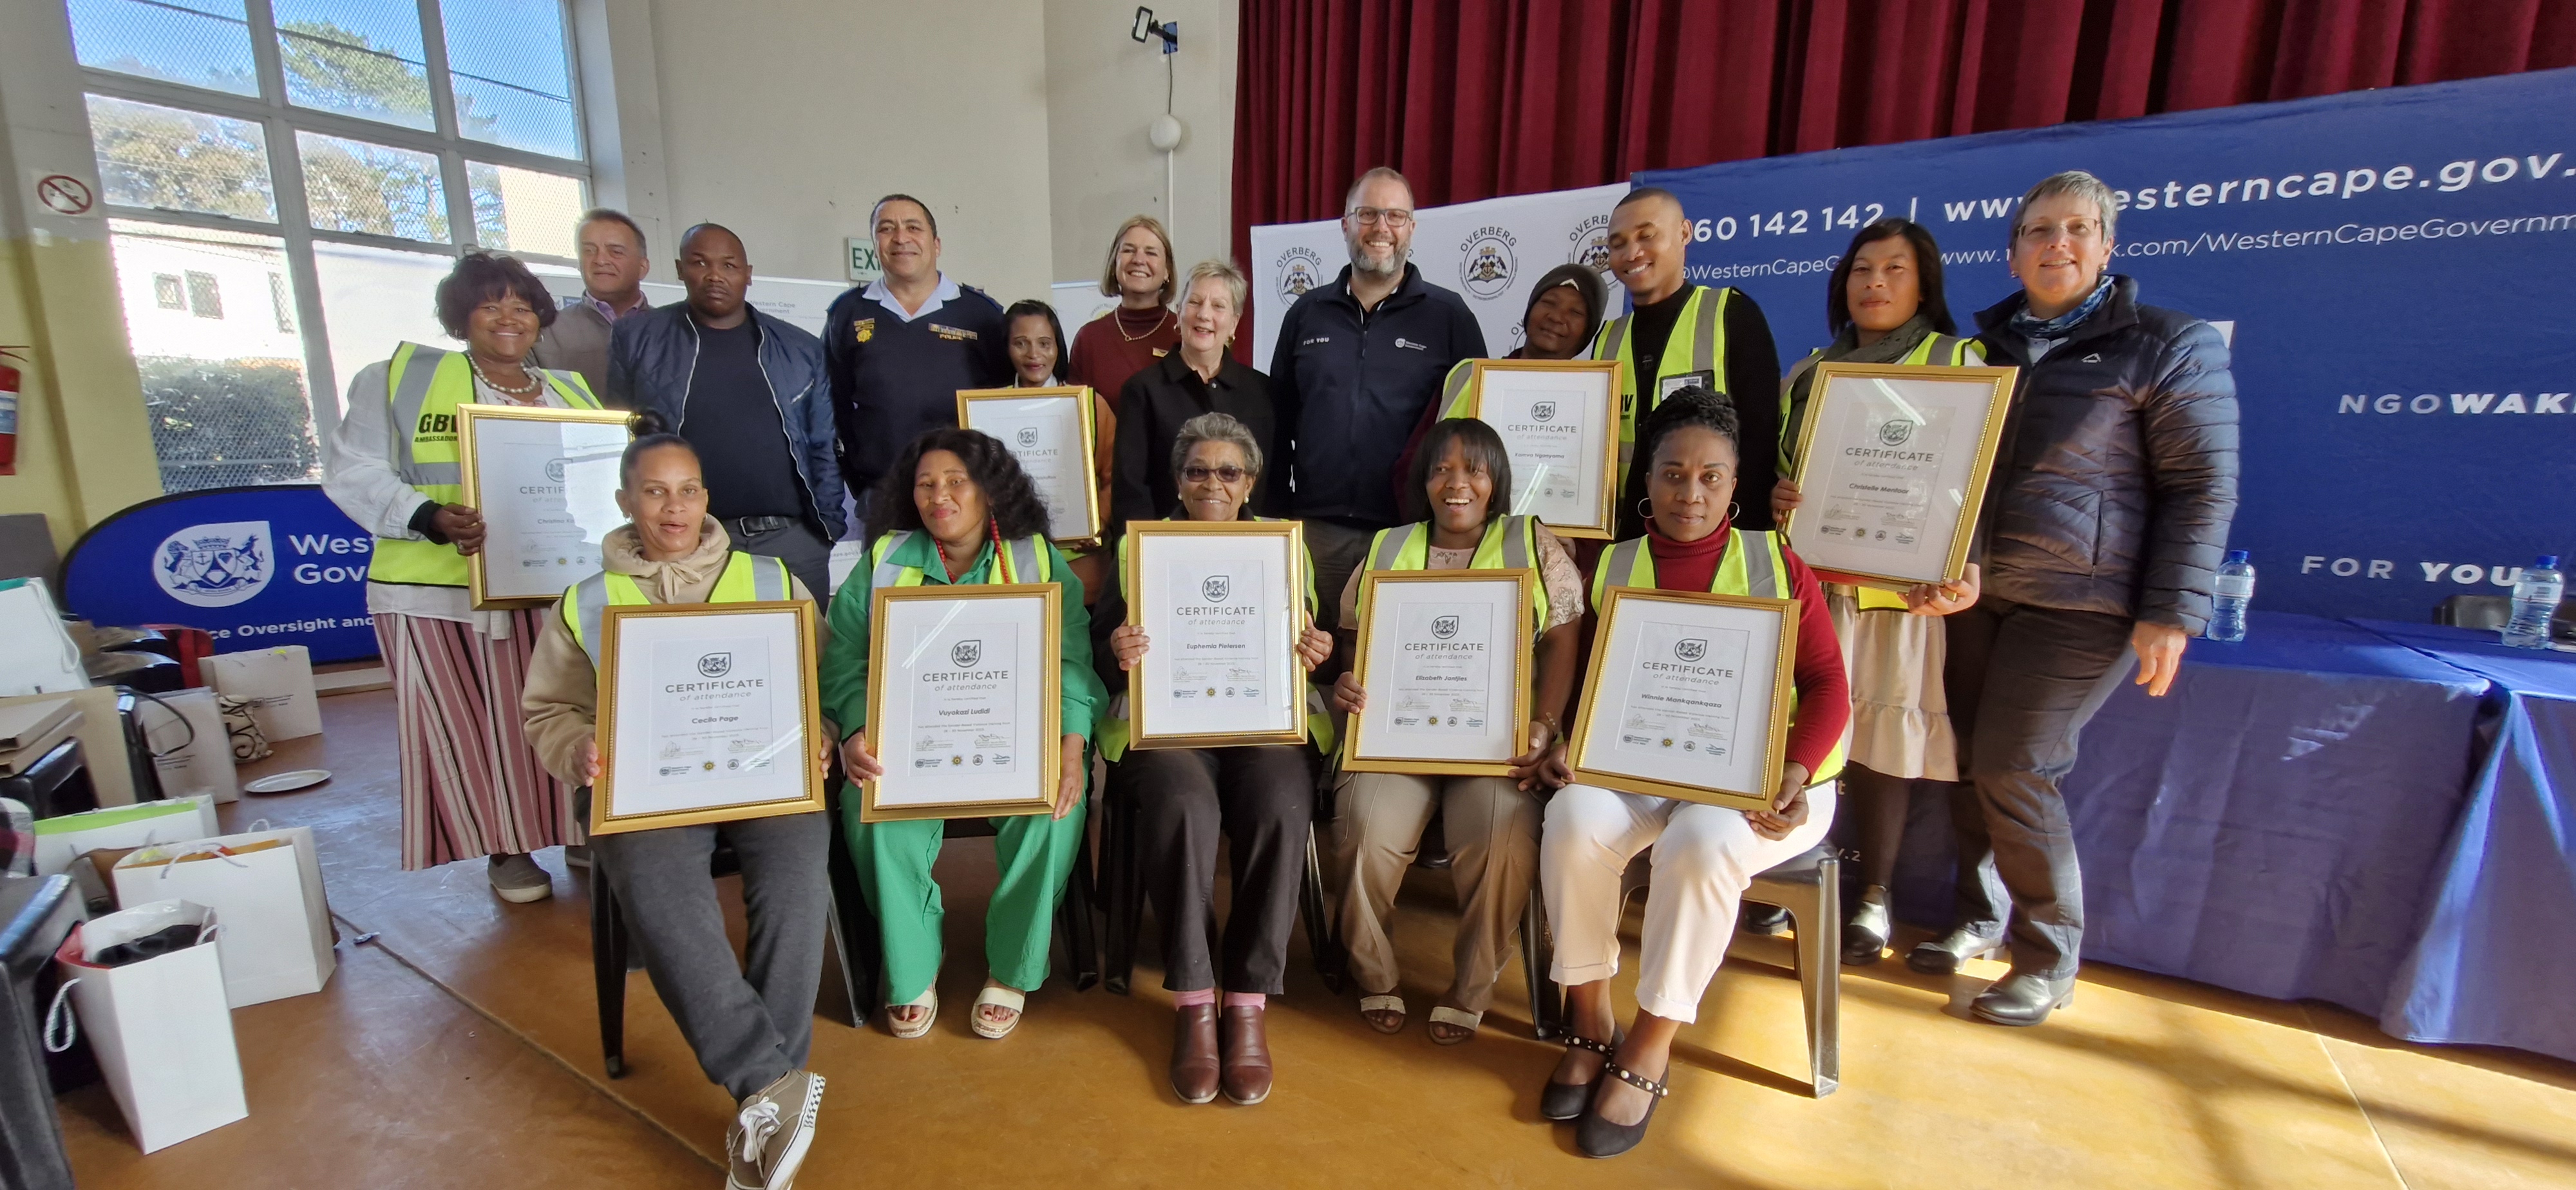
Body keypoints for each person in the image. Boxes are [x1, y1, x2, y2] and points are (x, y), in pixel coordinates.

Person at [1942, 170, 2238, 1025]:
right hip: (1973, 596)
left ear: (2109, 246)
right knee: (1968, 761)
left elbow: (2202, 486)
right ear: (2012, 251)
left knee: (2014, 764)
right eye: (2039, 230)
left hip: (2084, 603)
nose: (2056, 245)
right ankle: (1977, 916)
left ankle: (2047, 954)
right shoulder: (1982, 350)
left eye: (2077, 230)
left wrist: (2173, 609)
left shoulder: (2168, 344)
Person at [1537, 388, 1850, 1159]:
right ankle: (1588, 1018)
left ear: (1735, 484)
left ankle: (1650, 1042)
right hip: (1644, 766)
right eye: (1674, 474)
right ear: (1648, 476)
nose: (1691, 493)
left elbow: (1828, 686)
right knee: (1572, 817)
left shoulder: (1775, 563)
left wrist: (1797, 772)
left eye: (1711, 477)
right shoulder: (1613, 565)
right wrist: (1571, 739)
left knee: (1704, 841)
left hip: (1760, 784)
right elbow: (1591, 687)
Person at [519, 424, 828, 1190]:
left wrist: (821, 732)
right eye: (654, 492)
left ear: (706, 498)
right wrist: (581, 749)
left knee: (796, 883)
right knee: (660, 893)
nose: (674, 507)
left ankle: (769, 1097)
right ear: (625, 502)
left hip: (765, 776)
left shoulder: (773, 580)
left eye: (687, 490)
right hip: (649, 788)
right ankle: (770, 1083)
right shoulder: (585, 601)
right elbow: (548, 712)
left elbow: (823, 684)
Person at [322, 252, 598, 902]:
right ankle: (507, 850)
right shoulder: (398, 380)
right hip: (439, 596)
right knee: (481, 722)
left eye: (523, 306)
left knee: (568, 711)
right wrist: (426, 516)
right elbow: (351, 470)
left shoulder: (572, 393)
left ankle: (581, 829)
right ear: (460, 318)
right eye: (490, 305)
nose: (509, 318)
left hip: (553, 591)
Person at [823, 428, 1103, 1041]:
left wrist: (1072, 743)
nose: (938, 495)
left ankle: (1012, 966)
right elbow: (844, 655)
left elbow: (1071, 658)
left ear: (990, 491)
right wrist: (855, 728)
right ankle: (914, 964)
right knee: (868, 803)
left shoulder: (1034, 558)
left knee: (1051, 805)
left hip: (1014, 745)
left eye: (956, 481)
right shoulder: (885, 560)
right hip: (908, 745)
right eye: (925, 484)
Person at [1768, 218, 1991, 966]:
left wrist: (1967, 564)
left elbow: (1980, 477)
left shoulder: (1956, 362)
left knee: (1875, 743)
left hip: (1900, 593)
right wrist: (1777, 496)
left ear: (1923, 283)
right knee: (1797, 727)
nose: (1874, 283)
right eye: (1862, 269)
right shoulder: (1807, 375)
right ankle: (1781, 872)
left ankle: (1872, 895)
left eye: (1894, 269)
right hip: (1810, 587)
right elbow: (1777, 466)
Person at [1327, 417, 1587, 1044]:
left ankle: (1471, 986)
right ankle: (1374, 971)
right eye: (1441, 468)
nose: (1456, 483)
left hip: (1495, 746)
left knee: (1502, 838)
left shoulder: (1533, 543)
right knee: (1363, 826)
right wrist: (1345, 684)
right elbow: (1353, 644)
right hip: (1398, 741)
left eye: (1473, 468)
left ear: (1495, 481)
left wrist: (1544, 726)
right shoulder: (1389, 547)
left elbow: (1562, 638)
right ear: (1424, 480)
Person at [1099, 412, 1332, 1106]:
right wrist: (1119, 650)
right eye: (1197, 470)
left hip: (1261, 723)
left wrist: (1316, 654)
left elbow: (1314, 645)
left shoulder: (1283, 546)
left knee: (1284, 802)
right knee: (1181, 802)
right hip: (1168, 728)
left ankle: (1249, 997)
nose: (1211, 482)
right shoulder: (1139, 547)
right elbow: (1094, 645)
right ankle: (1197, 998)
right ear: (1178, 479)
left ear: (1250, 483)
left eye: (1227, 471)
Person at [1270, 167, 1488, 625]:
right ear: (1346, 224)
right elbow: (1278, 421)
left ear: (1412, 227)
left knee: (1390, 665)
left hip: (1409, 531)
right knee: (1312, 664)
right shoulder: (1307, 314)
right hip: (1315, 530)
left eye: (1395, 215)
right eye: (1368, 214)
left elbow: (1473, 433)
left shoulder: (1450, 317)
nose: (1381, 228)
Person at [607, 223, 842, 601]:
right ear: (681, 269)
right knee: (706, 656)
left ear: (748, 274)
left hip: (793, 543)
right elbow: (616, 438)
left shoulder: (799, 347)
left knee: (807, 656)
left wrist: (827, 528)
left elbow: (822, 443)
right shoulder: (639, 338)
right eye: (700, 263)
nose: (715, 275)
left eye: (729, 265)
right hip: (690, 543)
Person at [1592, 187, 1783, 536]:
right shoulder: (1607, 339)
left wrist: (1745, 541)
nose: (1632, 252)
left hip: (1718, 544)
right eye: (1618, 244)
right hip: (1626, 544)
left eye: (1647, 236)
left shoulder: (1731, 314)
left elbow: (1759, 442)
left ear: (1684, 233)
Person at [823, 194, 1012, 516]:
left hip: (964, 497)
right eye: (886, 228)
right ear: (875, 243)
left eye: (913, 227)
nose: (901, 238)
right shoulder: (847, 312)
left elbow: (1007, 400)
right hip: (882, 496)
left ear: (936, 244)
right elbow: (833, 404)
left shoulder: (982, 314)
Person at [1112, 260, 1282, 527]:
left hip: (1250, 548)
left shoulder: (1265, 392)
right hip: (1167, 547)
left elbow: (1275, 485)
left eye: (1218, 306)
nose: (1204, 315)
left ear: (1234, 323)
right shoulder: (1142, 390)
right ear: (1179, 313)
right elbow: (1131, 492)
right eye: (1195, 302)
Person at [1003, 298, 1119, 607]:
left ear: (1059, 347)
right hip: (1011, 560)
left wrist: (1098, 523)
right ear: (1006, 348)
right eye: (1021, 344)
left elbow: (1114, 477)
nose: (1034, 355)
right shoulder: (986, 411)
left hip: (1081, 561)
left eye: (1045, 343)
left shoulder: (1091, 406)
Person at [1066, 215, 1180, 412]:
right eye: (1129, 250)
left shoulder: (1184, 334)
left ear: (1167, 271)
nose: (1139, 260)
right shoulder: (1089, 339)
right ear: (1114, 264)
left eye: (1151, 253)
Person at [532, 208, 652, 395]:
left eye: (616, 252)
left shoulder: (675, 331)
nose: (601, 260)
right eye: (589, 251)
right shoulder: (544, 333)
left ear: (643, 267)